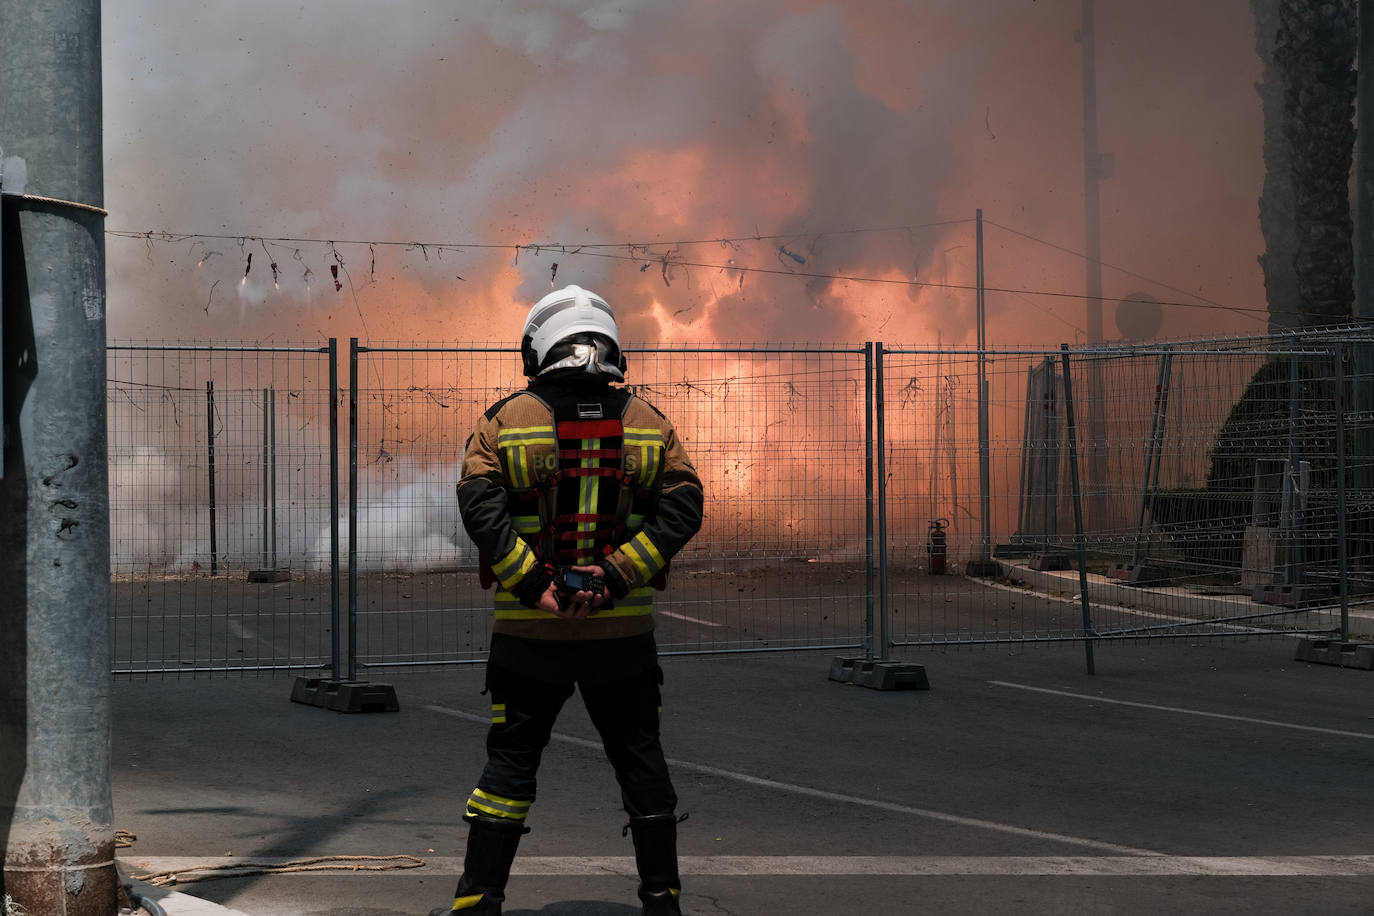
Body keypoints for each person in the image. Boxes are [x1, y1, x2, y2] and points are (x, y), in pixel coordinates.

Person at [432, 285, 705, 916]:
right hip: (623, 641)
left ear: (539, 348)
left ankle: (476, 904)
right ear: (609, 343)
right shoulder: (649, 423)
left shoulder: (504, 421)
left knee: (510, 767)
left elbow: (480, 512)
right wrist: (614, 577)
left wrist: (538, 588)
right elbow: (684, 508)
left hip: (530, 637)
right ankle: (662, 901)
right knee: (642, 763)